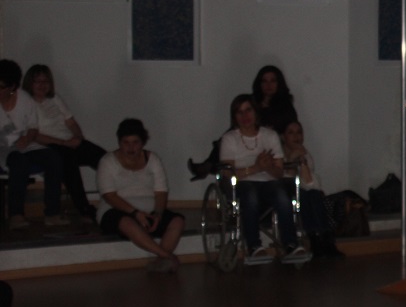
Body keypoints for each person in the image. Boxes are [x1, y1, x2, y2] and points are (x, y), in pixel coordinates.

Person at [218, 95, 308, 265]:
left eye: (248, 110)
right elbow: (227, 173)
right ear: (234, 116)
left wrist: (267, 168)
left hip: (269, 182)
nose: (245, 116)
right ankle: (254, 246)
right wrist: (256, 168)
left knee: (282, 195)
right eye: (240, 112)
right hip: (241, 183)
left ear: (255, 112)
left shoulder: (270, 135)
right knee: (250, 194)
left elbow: (279, 172)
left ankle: (291, 244)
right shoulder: (229, 139)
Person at [96, 119, 186, 272]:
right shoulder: (107, 162)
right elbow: (109, 195)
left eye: (135, 142)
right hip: (116, 209)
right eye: (126, 143)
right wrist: (135, 213)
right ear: (119, 142)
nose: (131, 148)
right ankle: (166, 256)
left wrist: (158, 213)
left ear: (142, 143)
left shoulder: (153, 159)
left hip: (148, 209)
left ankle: (160, 262)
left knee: (177, 221)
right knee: (127, 222)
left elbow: (161, 191)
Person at [23, 64, 106, 224]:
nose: (42, 85)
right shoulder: (26, 104)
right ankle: (84, 208)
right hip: (49, 144)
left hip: (69, 141)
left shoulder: (54, 98)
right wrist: (64, 143)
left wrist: (78, 137)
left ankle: (119, 199)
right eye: (37, 81)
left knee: (103, 158)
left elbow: (71, 122)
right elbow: (35, 136)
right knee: (68, 163)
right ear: (30, 83)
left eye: (45, 81)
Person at [188, 65, 298, 180]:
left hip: (270, 147)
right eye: (264, 81)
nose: (268, 85)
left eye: (273, 81)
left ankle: (209, 165)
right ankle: (210, 164)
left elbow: (292, 130)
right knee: (229, 137)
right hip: (245, 140)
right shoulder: (251, 101)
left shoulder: (285, 107)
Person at [1, 58, 65, 230]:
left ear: (12, 87)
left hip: (24, 142)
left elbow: (33, 126)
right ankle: (16, 214)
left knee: (53, 158)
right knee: (19, 162)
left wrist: (27, 138)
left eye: (2, 87)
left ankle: (52, 213)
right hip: (3, 147)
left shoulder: (24, 99)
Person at [281, 120, 343, 258]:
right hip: (284, 194)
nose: (296, 136)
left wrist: (302, 160)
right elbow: (285, 178)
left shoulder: (305, 153)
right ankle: (315, 239)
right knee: (305, 196)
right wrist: (291, 158)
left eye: (299, 132)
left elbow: (310, 183)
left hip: (303, 192)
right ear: (283, 137)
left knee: (314, 194)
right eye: (291, 133)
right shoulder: (278, 154)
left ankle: (325, 239)